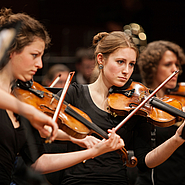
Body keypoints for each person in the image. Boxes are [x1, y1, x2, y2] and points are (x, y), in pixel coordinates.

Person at [0, 8, 125, 184]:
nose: (40, 64)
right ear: (11, 51)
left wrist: (89, 147)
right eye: (34, 55)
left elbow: (38, 162)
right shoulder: (22, 106)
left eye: (42, 56)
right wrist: (31, 113)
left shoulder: (22, 97)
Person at [57, 31, 185, 185]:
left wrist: (177, 139)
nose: (126, 70)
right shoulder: (74, 94)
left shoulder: (137, 107)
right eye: (120, 62)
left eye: (131, 64)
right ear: (101, 59)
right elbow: (45, 128)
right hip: (76, 180)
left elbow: (146, 161)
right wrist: (78, 137)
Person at [135, 40, 185, 185]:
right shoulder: (142, 106)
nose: (175, 70)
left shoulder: (180, 99)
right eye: (168, 64)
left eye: (176, 64)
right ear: (152, 68)